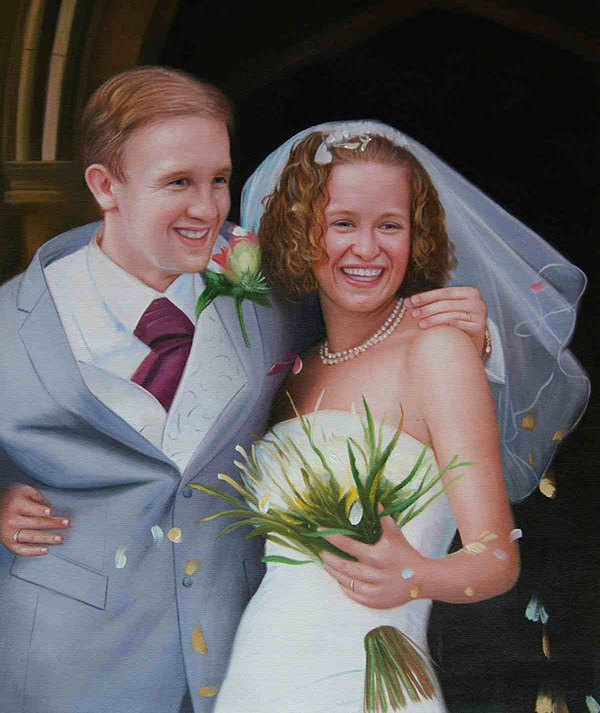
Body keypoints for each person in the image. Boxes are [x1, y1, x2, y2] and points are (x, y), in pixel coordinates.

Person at [0, 73, 487, 713]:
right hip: (69, 668)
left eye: (219, 180)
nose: (208, 209)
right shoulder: (12, 324)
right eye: (179, 182)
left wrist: (464, 335)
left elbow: (365, 323)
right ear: (105, 186)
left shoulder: (274, 286)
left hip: (245, 661)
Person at [210, 121, 590, 713]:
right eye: (343, 223)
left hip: (366, 685)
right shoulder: (293, 370)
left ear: (418, 235)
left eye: (390, 225)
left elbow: (497, 561)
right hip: (255, 677)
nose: (367, 248)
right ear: (301, 231)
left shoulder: (438, 352)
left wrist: (415, 577)